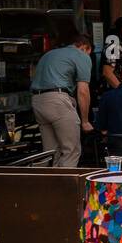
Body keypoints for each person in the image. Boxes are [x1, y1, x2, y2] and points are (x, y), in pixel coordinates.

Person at [31, 33, 94, 167]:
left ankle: (47, 179)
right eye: (89, 53)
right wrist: (85, 121)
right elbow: (83, 91)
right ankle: (65, 180)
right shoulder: (81, 55)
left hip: (38, 101)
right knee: (71, 150)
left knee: (50, 153)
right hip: (58, 101)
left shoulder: (49, 54)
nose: (88, 56)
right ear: (84, 47)